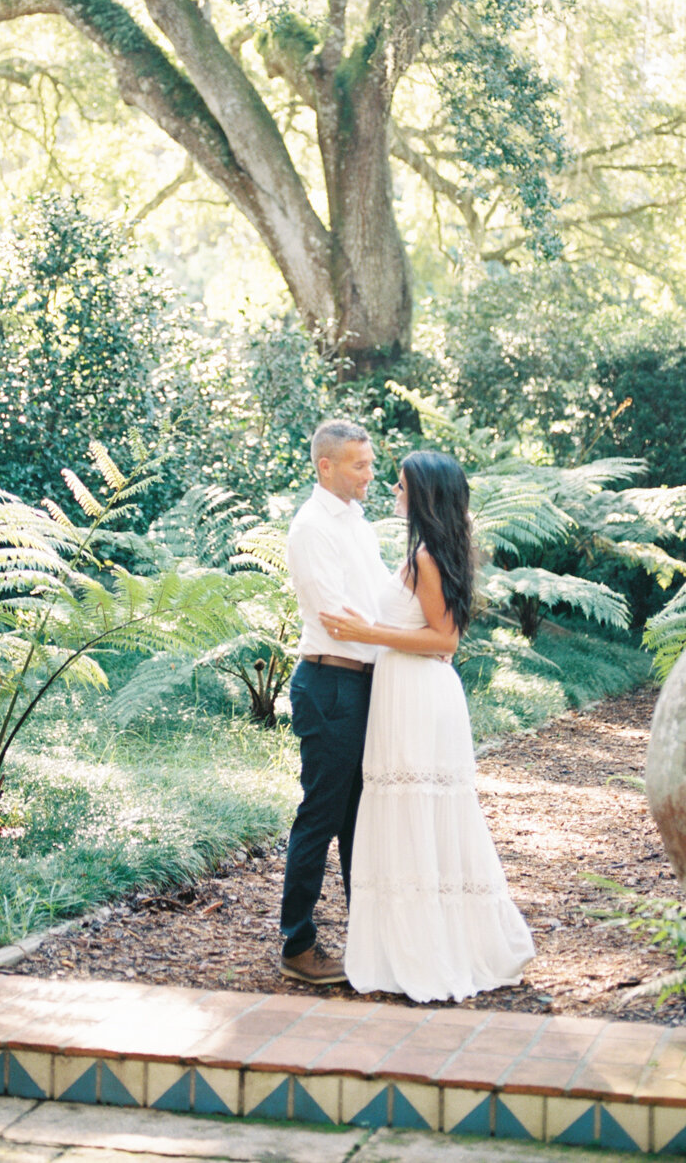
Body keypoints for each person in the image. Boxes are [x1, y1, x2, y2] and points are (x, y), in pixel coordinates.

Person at [321, 450, 535, 1002]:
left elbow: (444, 642)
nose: (393, 487)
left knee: (416, 809)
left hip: (418, 693)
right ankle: (416, 945)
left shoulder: (426, 557)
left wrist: (364, 631)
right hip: (411, 692)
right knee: (413, 810)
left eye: (402, 483)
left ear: (425, 495)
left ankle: (428, 953)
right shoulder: (429, 551)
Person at [279, 419, 390, 984]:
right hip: (331, 684)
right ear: (326, 467)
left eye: (369, 463)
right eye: (360, 465)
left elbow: (377, 601)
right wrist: (405, 639)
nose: (370, 473)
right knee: (321, 816)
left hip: (364, 683)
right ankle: (297, 946)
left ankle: (365, 938)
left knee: (358, 820)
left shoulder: (357, 524)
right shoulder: (311, 528)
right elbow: (339, 621)